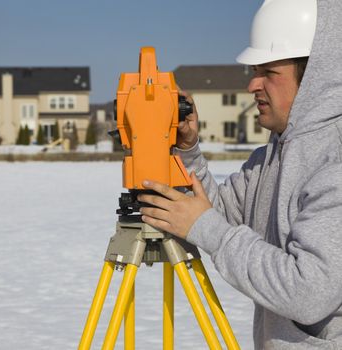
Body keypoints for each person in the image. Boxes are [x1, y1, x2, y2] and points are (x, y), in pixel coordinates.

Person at [137, 0, 342, 348]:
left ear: (315, 78)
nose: (252, 85)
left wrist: (208, 229)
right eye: (253, 71)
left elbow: (308, 291)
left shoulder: (334, 161)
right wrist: (187, 152)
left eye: (268, 72)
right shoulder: (269, 157)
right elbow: (215, 215)